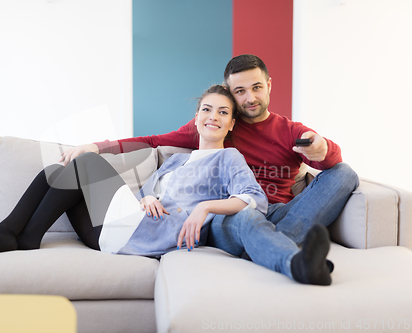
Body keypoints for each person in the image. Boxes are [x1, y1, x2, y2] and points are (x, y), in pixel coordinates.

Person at [0, 85, 334, 285]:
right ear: (196, 117)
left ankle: (14, 233)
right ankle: (19, 235)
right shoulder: (177, 159)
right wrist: (149, 194)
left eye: (223, 112)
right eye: (207, 109)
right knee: (61, 171)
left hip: (146, 235)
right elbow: (143, 193)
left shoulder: (228, 159)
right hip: (118, 224)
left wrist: (204, 207)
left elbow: (254, 200)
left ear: (232, 124)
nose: (214, 117)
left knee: (85, 162)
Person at [60, 55, 360, 285]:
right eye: (239, 91)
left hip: (280, 212)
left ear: (268, 85)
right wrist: (97, 147)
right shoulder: (218, 125)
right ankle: (291, 259)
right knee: (246, 218)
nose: (250, 98)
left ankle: (264, 243)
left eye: (256, 87)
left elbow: (324, 154)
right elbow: (151, 141)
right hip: (227, 215)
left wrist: (321, 150)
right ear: (230, 94)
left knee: (344, 173)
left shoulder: (289, 129)